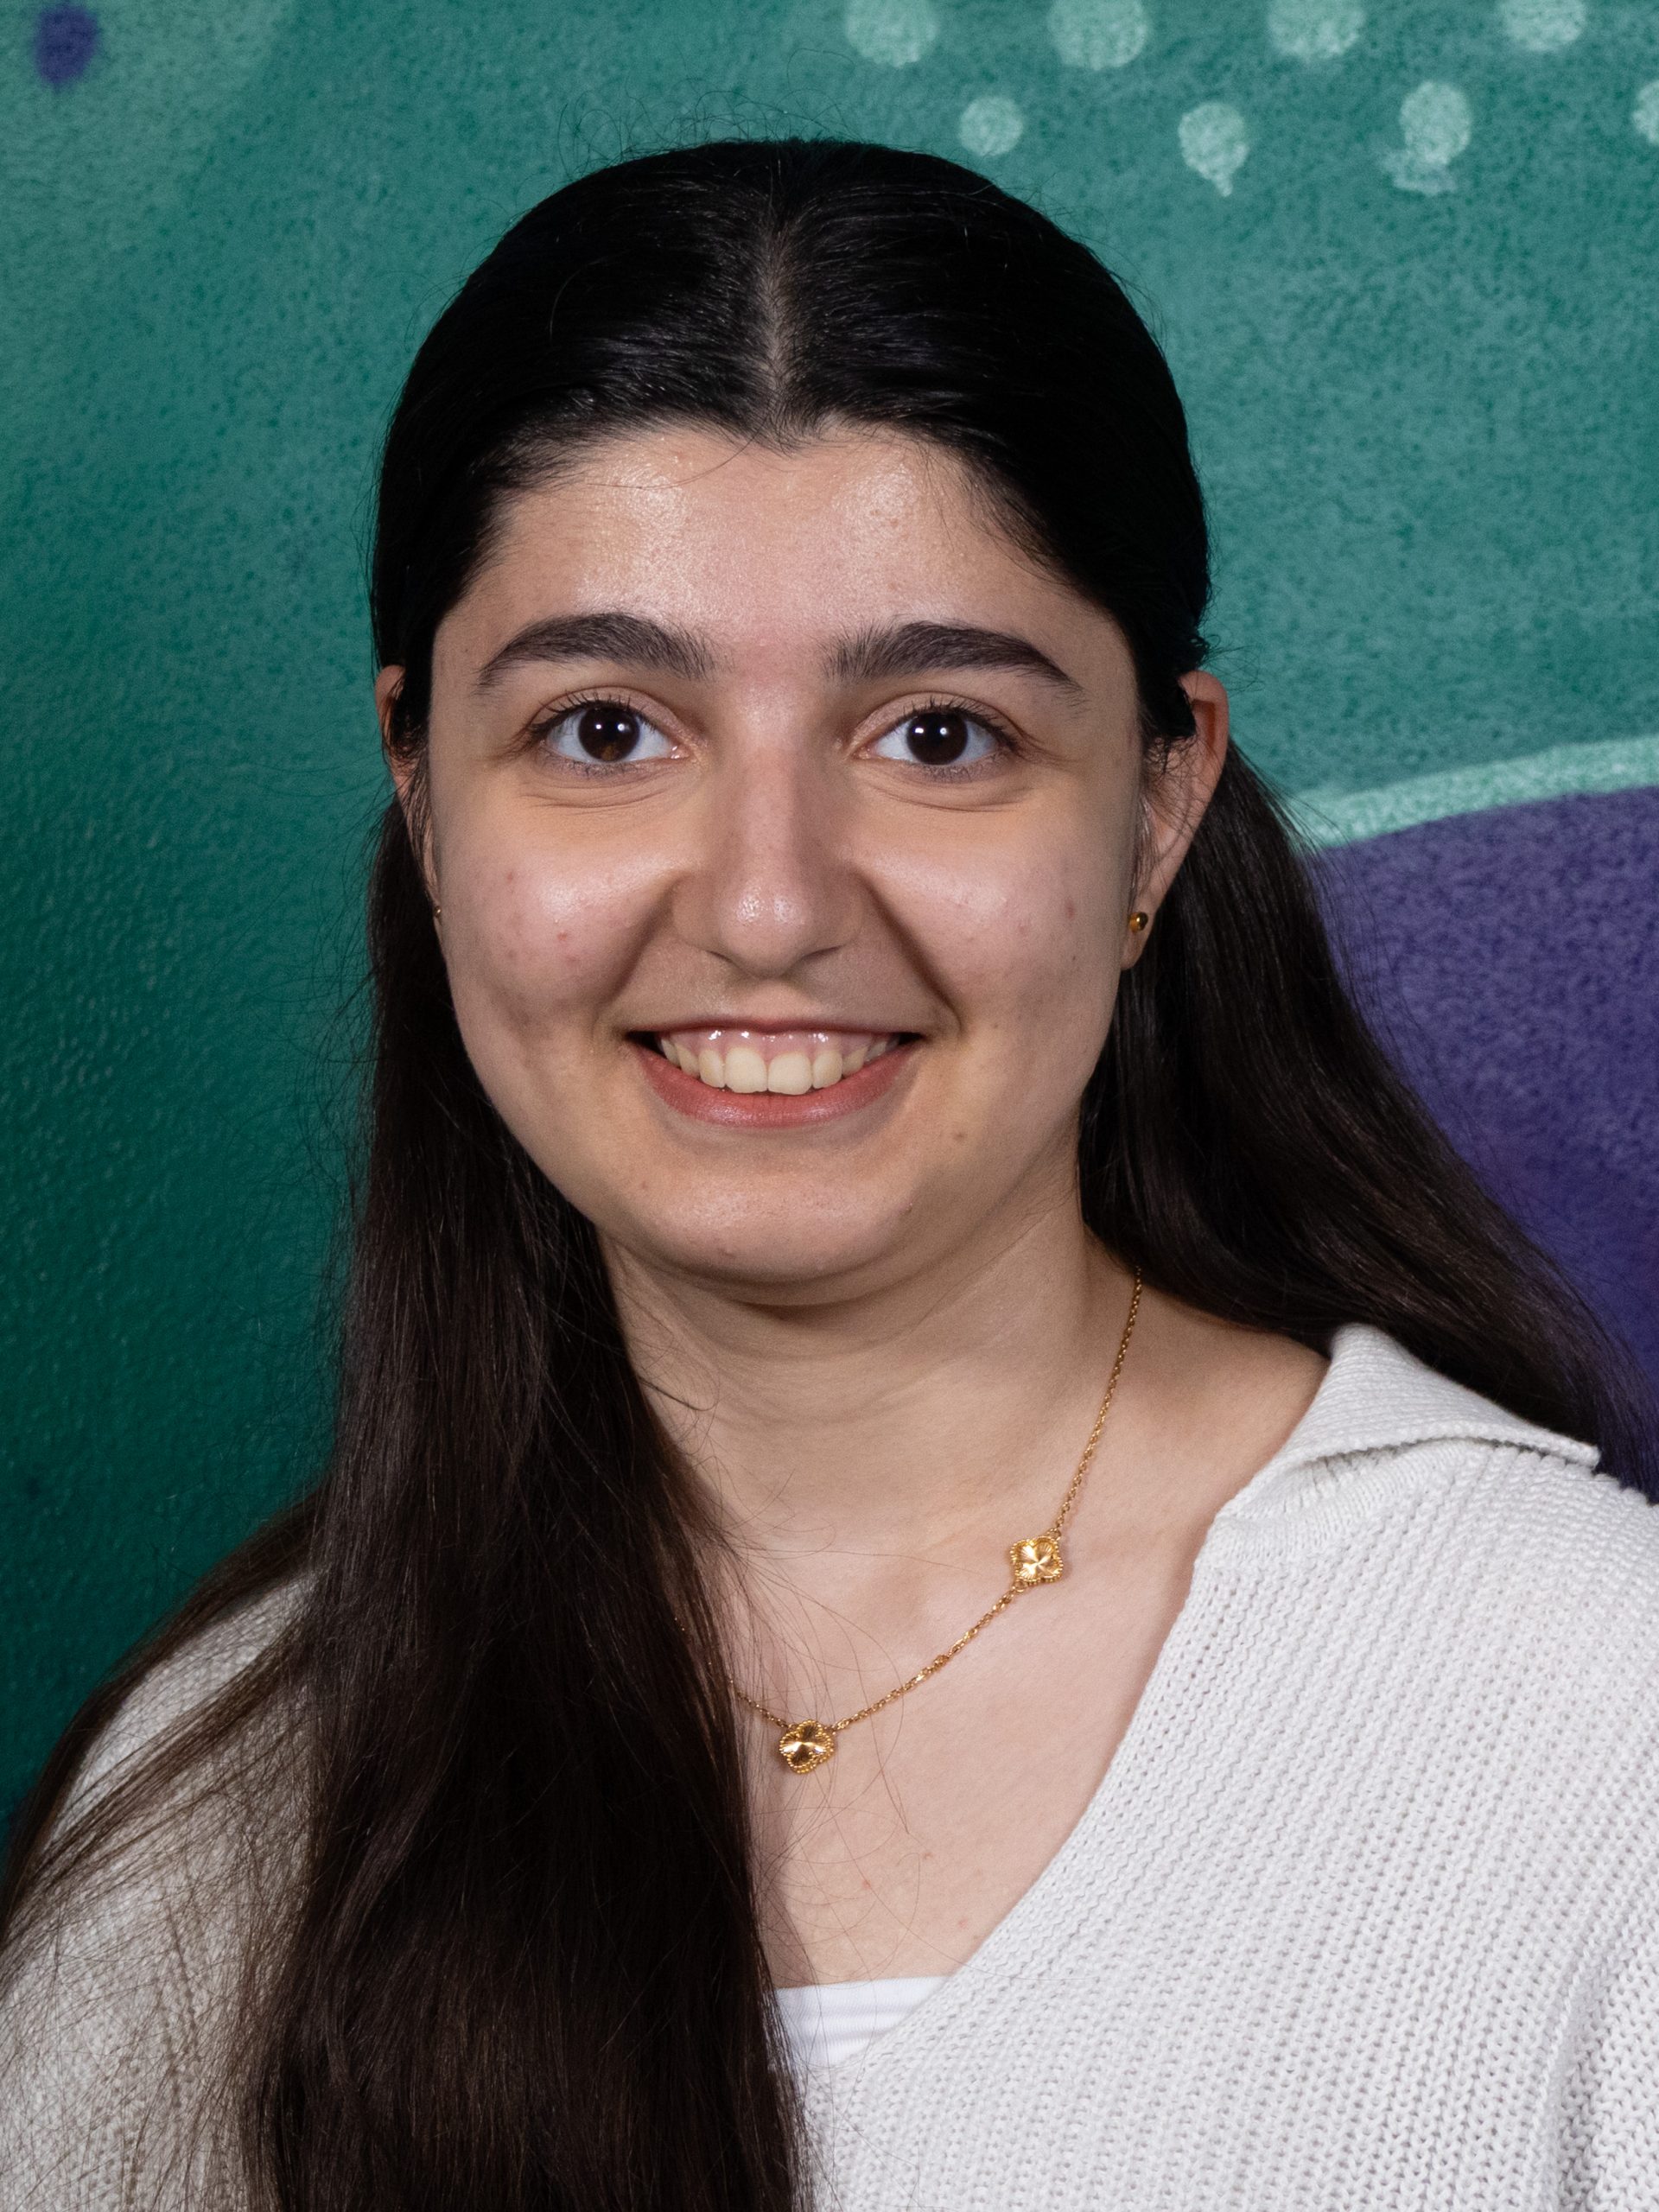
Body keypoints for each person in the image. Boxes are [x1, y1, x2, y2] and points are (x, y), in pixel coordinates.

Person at [2, 137, 1656, 2212]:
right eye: (608, 731)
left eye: (938, 734)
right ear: (423, 791)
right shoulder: (196, 1822)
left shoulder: (1600, 1732)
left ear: (1158, 807)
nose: (770, 904)